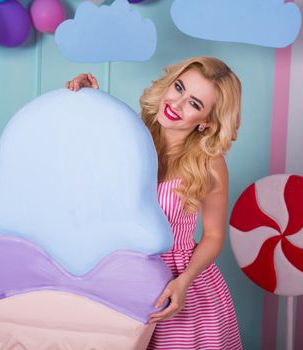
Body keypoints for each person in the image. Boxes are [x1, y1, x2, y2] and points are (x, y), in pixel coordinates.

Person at [67, 56, 243, 349]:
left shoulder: (210, 164)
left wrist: (183, 282)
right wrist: (92, 101)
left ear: (207, 122)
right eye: (179, 88)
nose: (176, 103)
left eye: (194, 104)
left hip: (179, 286)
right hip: (124, 276)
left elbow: (213, 237)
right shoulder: (131, 135)